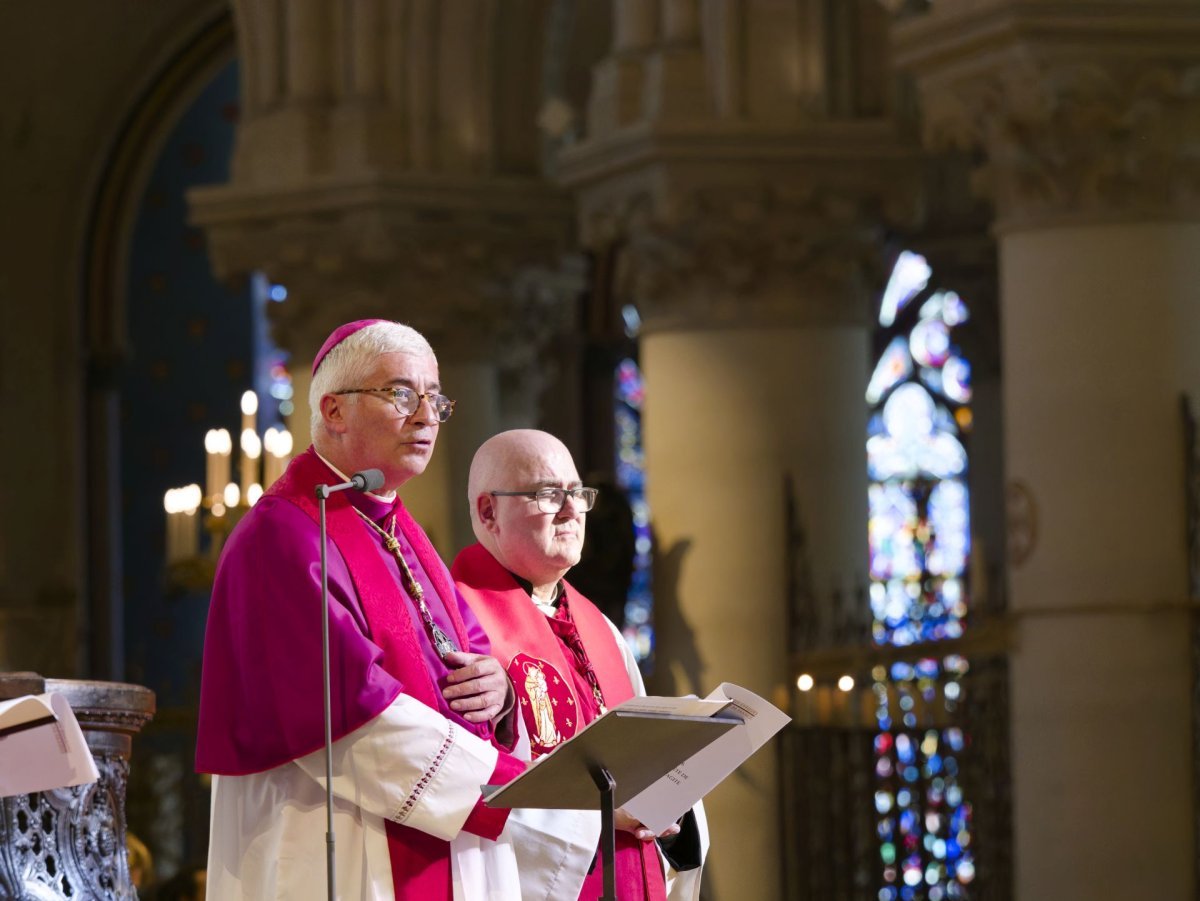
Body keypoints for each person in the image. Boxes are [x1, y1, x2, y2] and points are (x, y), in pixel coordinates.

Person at [196, 321, 595, 900]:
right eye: (401, 394)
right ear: (334, 411)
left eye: (435, 399)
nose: (426, 416)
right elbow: (352, 720)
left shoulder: (397, 528)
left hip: (440, 833)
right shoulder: (284, 535)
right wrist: (534, 798)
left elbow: (470, 658)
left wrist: (503, 696)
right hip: (340, 838)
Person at [452, 429, 709, 900]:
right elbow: (461, 787)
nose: (572, 510)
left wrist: (672, 802)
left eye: (577, 494)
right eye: (550, 494)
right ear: (489, 511)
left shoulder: (601, 630)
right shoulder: (457, 625)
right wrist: (603, 811)